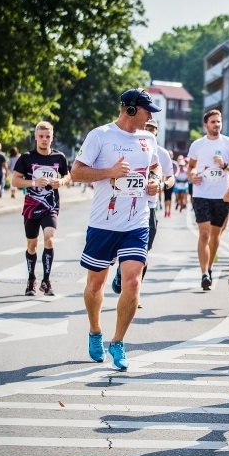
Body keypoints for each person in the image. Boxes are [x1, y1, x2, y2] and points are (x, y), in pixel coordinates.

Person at [70, 88, 162, 371]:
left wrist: (155, 182)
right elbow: (76, 173)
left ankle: (118, 342)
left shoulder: (149, 139)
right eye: (147, 110)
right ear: (131, 110)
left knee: (133, 282)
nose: (150, 116)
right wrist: (109, 172)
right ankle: (95, 331)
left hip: (136, 222)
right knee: (95, 284)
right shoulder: (100, 135)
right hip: (103, 223)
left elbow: (156, 167)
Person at [111, 118, 175, 301]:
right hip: (126, 206)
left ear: (156, 132)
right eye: (147, 127)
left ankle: (133, 293)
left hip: (149, 207)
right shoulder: (128, 146)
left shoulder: (161, 153)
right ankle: (123, 275)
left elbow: (170, 178)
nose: (150, 130)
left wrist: (161, 185)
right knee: (125, 249)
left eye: (153, 128)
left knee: (142, 254)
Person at [11, 121, 70, 296]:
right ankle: (31, 279)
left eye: (48, 136)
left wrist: (61, 181)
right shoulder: (26, 158)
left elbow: (67, 175)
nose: (44, 140)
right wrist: (33, 183)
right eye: (41, 136)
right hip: (31, 205)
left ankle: (46, 280)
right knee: (32, 245)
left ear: (52, 138)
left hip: (51, 205)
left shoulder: (59, 157)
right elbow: (15, 180)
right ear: (35, 137)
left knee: (49, 239)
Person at [187, 110, 229, 290]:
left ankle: (209, 267)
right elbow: (191, 168)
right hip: (201, 193)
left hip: (222, 195)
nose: (216, 125)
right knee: (204, 233)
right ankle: (204, 273)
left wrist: (225, 165)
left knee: (216, 235)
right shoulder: (197, 145)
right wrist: (193, 175)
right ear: (205, 125)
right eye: (213, 122)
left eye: (218, 122)